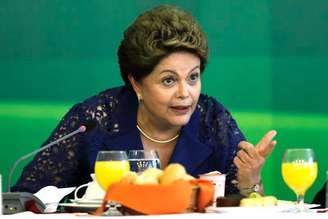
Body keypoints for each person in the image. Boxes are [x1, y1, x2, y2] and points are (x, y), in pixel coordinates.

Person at [12, 5, 276, 197]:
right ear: (137, 82)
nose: (185, 93)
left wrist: (250, 182)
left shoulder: (212, 119)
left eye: (193, 77)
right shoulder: (94, 119)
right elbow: (27, 198)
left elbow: (249, 205)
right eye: (169, 80)